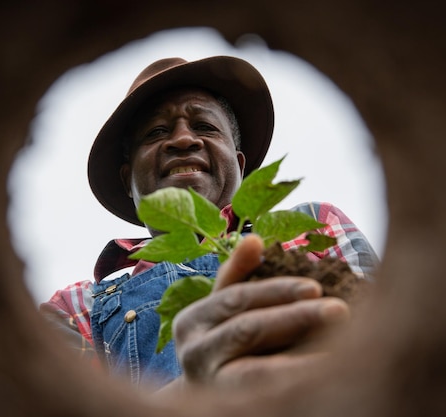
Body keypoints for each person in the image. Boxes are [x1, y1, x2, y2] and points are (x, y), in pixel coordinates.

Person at [40, 56, 379, 390]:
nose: (184, 139)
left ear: (239, 164)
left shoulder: (313, 226)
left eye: (205, 127)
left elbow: (387, 343)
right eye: (157, 131)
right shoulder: (78, 307)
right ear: (128, 179)